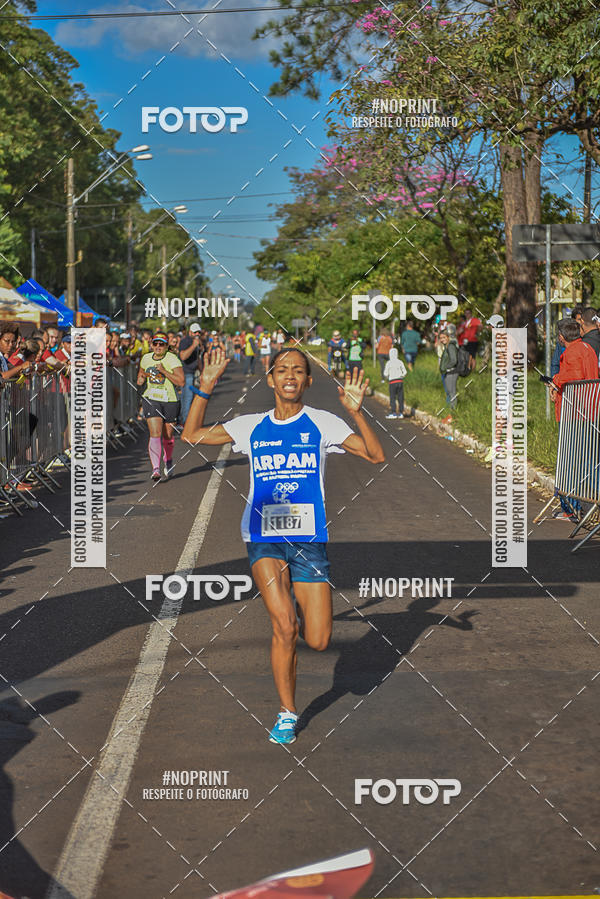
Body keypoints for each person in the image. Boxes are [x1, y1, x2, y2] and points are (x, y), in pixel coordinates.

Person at [181, 347, 385, 745]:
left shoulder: (321, 423)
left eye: (298, 370)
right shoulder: (251, 425)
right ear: (270, 379)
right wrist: (203, 389)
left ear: (308, 381)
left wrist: (356, 411)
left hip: (309, 541)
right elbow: (192, 436)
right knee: (284, 625)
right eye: (282, 370)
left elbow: (376, 456)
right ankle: (287, 713)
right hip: (263, 537)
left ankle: (304, 629)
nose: (290, 375)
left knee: (320, 640)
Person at [549, 318, 599, 521]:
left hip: (574, 413)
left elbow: (576, 375)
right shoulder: (587, 347)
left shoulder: (571, 352)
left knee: (573, 463)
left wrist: (556, 381)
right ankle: (572, 506)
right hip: (590, 410)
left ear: (561, 336)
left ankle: (571, 507)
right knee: (587, 461)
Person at [137, 331, 184, 480]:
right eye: (155, 343)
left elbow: (181, 382)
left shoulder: (172, 359)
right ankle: (156, 469)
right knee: (155, 433)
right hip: (151, 399)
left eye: (161, 344)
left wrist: (164, 371)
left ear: (166, 345)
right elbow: (142, 374)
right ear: (151, 344)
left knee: (168, 435)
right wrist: (140, 379)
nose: (158, 347)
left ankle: (168, 460)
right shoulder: (145, 358)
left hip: (170, 400)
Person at [179, 322, 204, 423]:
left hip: (193, 373)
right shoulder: (185, 341)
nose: (197, 334)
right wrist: (193, 346)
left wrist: (202, 372)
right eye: (195, 332)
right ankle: (185, 423)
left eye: (198, 332)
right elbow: (183, 356)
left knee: (190, 399)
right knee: (187, 399)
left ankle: (185, 421)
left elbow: (197, 358)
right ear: (190, 332)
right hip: (186, 373)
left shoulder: (197, 342)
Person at [439, 325, 459, 411]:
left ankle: (453, 411)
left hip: (452, 372)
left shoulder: (451, 346)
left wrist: (446, 367)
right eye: (440, 338)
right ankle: (450, 410)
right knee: (449, 392)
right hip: (448, 372)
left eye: (444, 337)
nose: (442, 339)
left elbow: (453, 360)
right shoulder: (447, 346)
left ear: (448, 337)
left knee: (452, 393)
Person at [383, 347, 407, 419]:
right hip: (400, 381)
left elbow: (385, 373)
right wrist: (401, 376)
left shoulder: (389, 363)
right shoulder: (400, 362)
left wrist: (388, 377)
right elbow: (405, 372)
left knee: (393, 397)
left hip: (392, 382)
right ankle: (401, 412)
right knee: (400, 397)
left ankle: (393, 412)